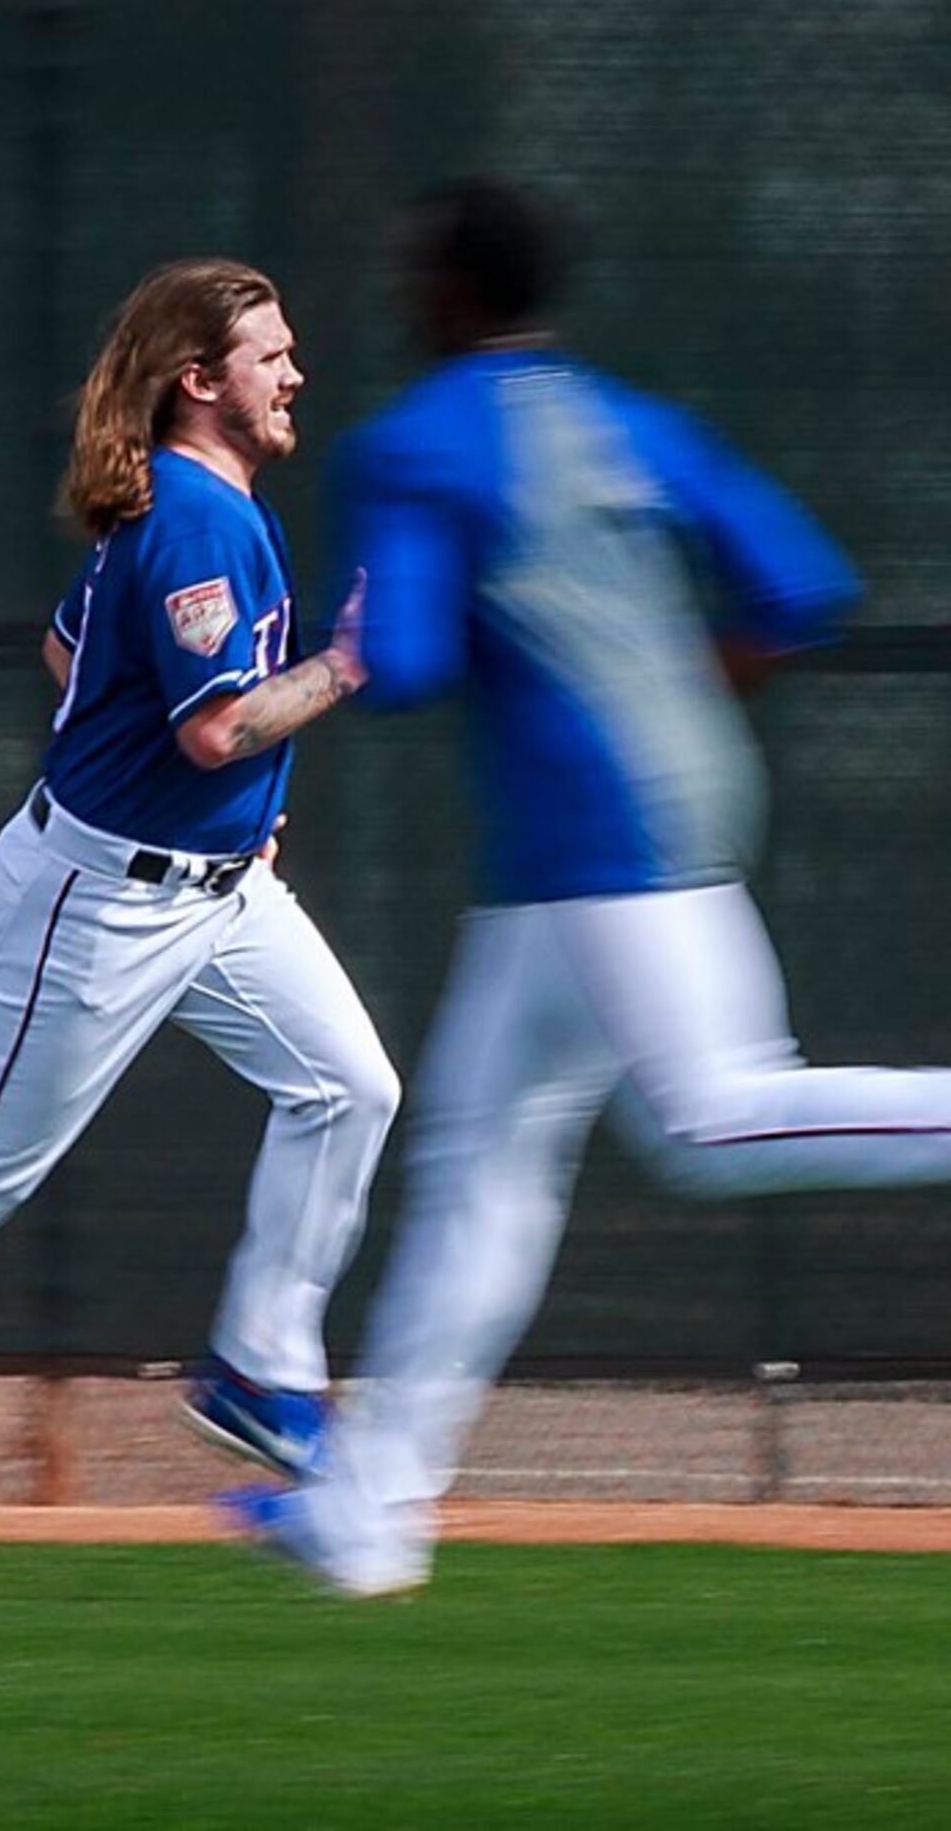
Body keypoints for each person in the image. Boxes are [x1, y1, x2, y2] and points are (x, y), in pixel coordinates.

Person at [227, 178, 948, 1597]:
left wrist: (315, 653)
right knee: (480, 1174)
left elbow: (414, 660)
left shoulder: (415, 444)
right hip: (601, 853)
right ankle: (367, 1516)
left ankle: (369, 1512)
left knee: (712, 1115)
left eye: (409, 266)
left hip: (601, 852)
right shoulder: (636, 420)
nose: (395, 289)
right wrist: (675, 683)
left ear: (448, 293)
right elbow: (799, 585)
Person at [0, 259, 399, 1562]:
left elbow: (70, 650)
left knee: (351, 1087)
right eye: (271, 355)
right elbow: (219, 727)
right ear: (199, 380)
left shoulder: (193, 506)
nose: (295, 374)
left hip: (215, 888)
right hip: (101, 900)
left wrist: (220, 792)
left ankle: (256, 1368)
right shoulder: (197, 520)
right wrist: (344, 666)